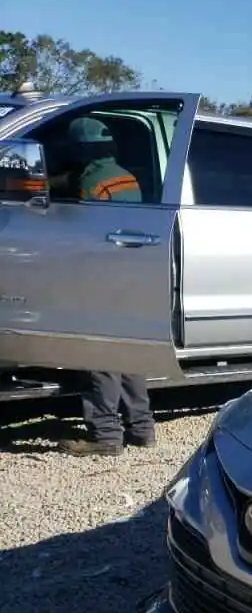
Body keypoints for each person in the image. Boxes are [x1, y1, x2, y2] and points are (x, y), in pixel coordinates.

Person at [54, 116, 157, 457]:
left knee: (99, 357)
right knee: (127, 355)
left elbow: (86, 233)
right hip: (131, 274)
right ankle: (142, 430)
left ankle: (106, 438)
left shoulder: (89, 182)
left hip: (102, 276)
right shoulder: (125, 176)